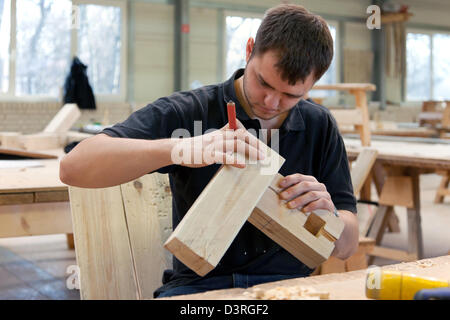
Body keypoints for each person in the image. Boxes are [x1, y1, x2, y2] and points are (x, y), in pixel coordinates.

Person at [60, 4, 359, 298]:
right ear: (250, 49)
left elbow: (348, 245)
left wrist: (329, 215)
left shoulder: (320, 126)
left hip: (287, 289)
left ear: (314, 83)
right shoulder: (192, 111)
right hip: (199, 288)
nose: (270, 102)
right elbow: (73, 167)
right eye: (263, 82)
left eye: (290, 95)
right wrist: (181, 149)